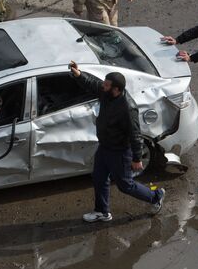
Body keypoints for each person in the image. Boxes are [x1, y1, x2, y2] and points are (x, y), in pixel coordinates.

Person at [69, 61, 165, 222]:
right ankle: (102, 212)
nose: (103, 87)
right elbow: (93, 84)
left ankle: (156, 196)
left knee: (125, 185)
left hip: (119, 152)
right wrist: (78, 74)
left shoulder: (127, 108)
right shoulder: (107, 93)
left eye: (106, 85)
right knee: (99, 178)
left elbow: (135, 134)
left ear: (116, 89)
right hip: (105, 147)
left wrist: (137, 158)